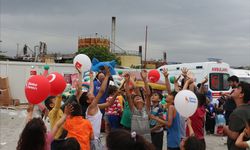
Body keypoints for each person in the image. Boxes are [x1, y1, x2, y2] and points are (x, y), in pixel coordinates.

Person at [151, 68, 181, 150]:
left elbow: (169, 124)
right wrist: (166, 77)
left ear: (173, 98)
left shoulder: (171, 107)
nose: (166, 95)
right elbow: (169, 90)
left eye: (168, 95)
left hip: (173, 137)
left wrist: (155, 118)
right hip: (174, 136)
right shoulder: (172, 105)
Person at [125, 70, 152, 142]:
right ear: (133, 103)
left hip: (146, 139)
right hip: (135, 138)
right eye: (136, 98)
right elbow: (128, 95)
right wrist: (127, 82)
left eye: (139, 97)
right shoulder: (133, 110)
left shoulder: (146, 109)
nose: (138, 97)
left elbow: (148, 94)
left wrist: (145, 79)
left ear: (143, 101)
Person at [223, 82, 250, 150]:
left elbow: (234, 135)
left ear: (241, 95)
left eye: (238, 88)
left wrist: (225, 128)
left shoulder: (237, 113)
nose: (234, 89)